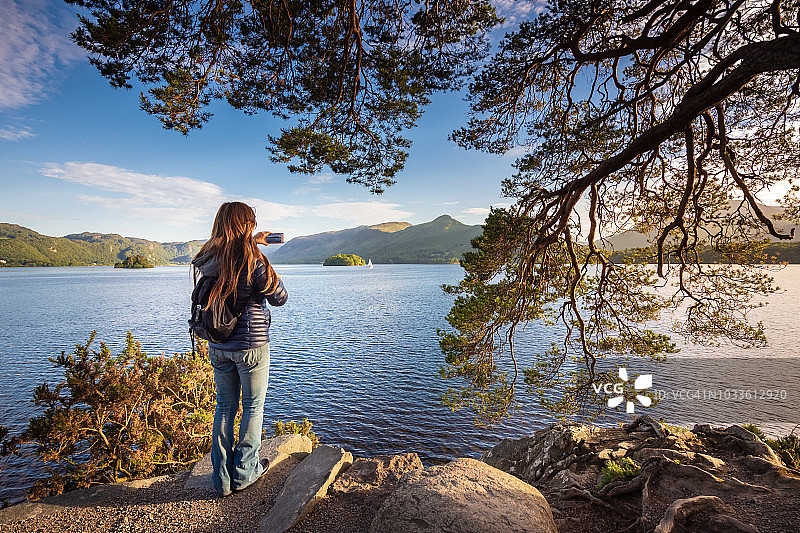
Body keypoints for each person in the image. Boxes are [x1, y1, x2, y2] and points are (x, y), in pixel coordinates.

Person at [191, 201, 288, 496]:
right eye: (252, 223)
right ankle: (245, 472)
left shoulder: (207, 257)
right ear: (247, 225)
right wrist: (257, 249)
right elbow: (280, 297)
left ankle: (220, 479)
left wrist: (249, 243)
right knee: (253, 406)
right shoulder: (252, 259)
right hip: (250, 346)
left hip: (217, 344)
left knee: (224, 407)